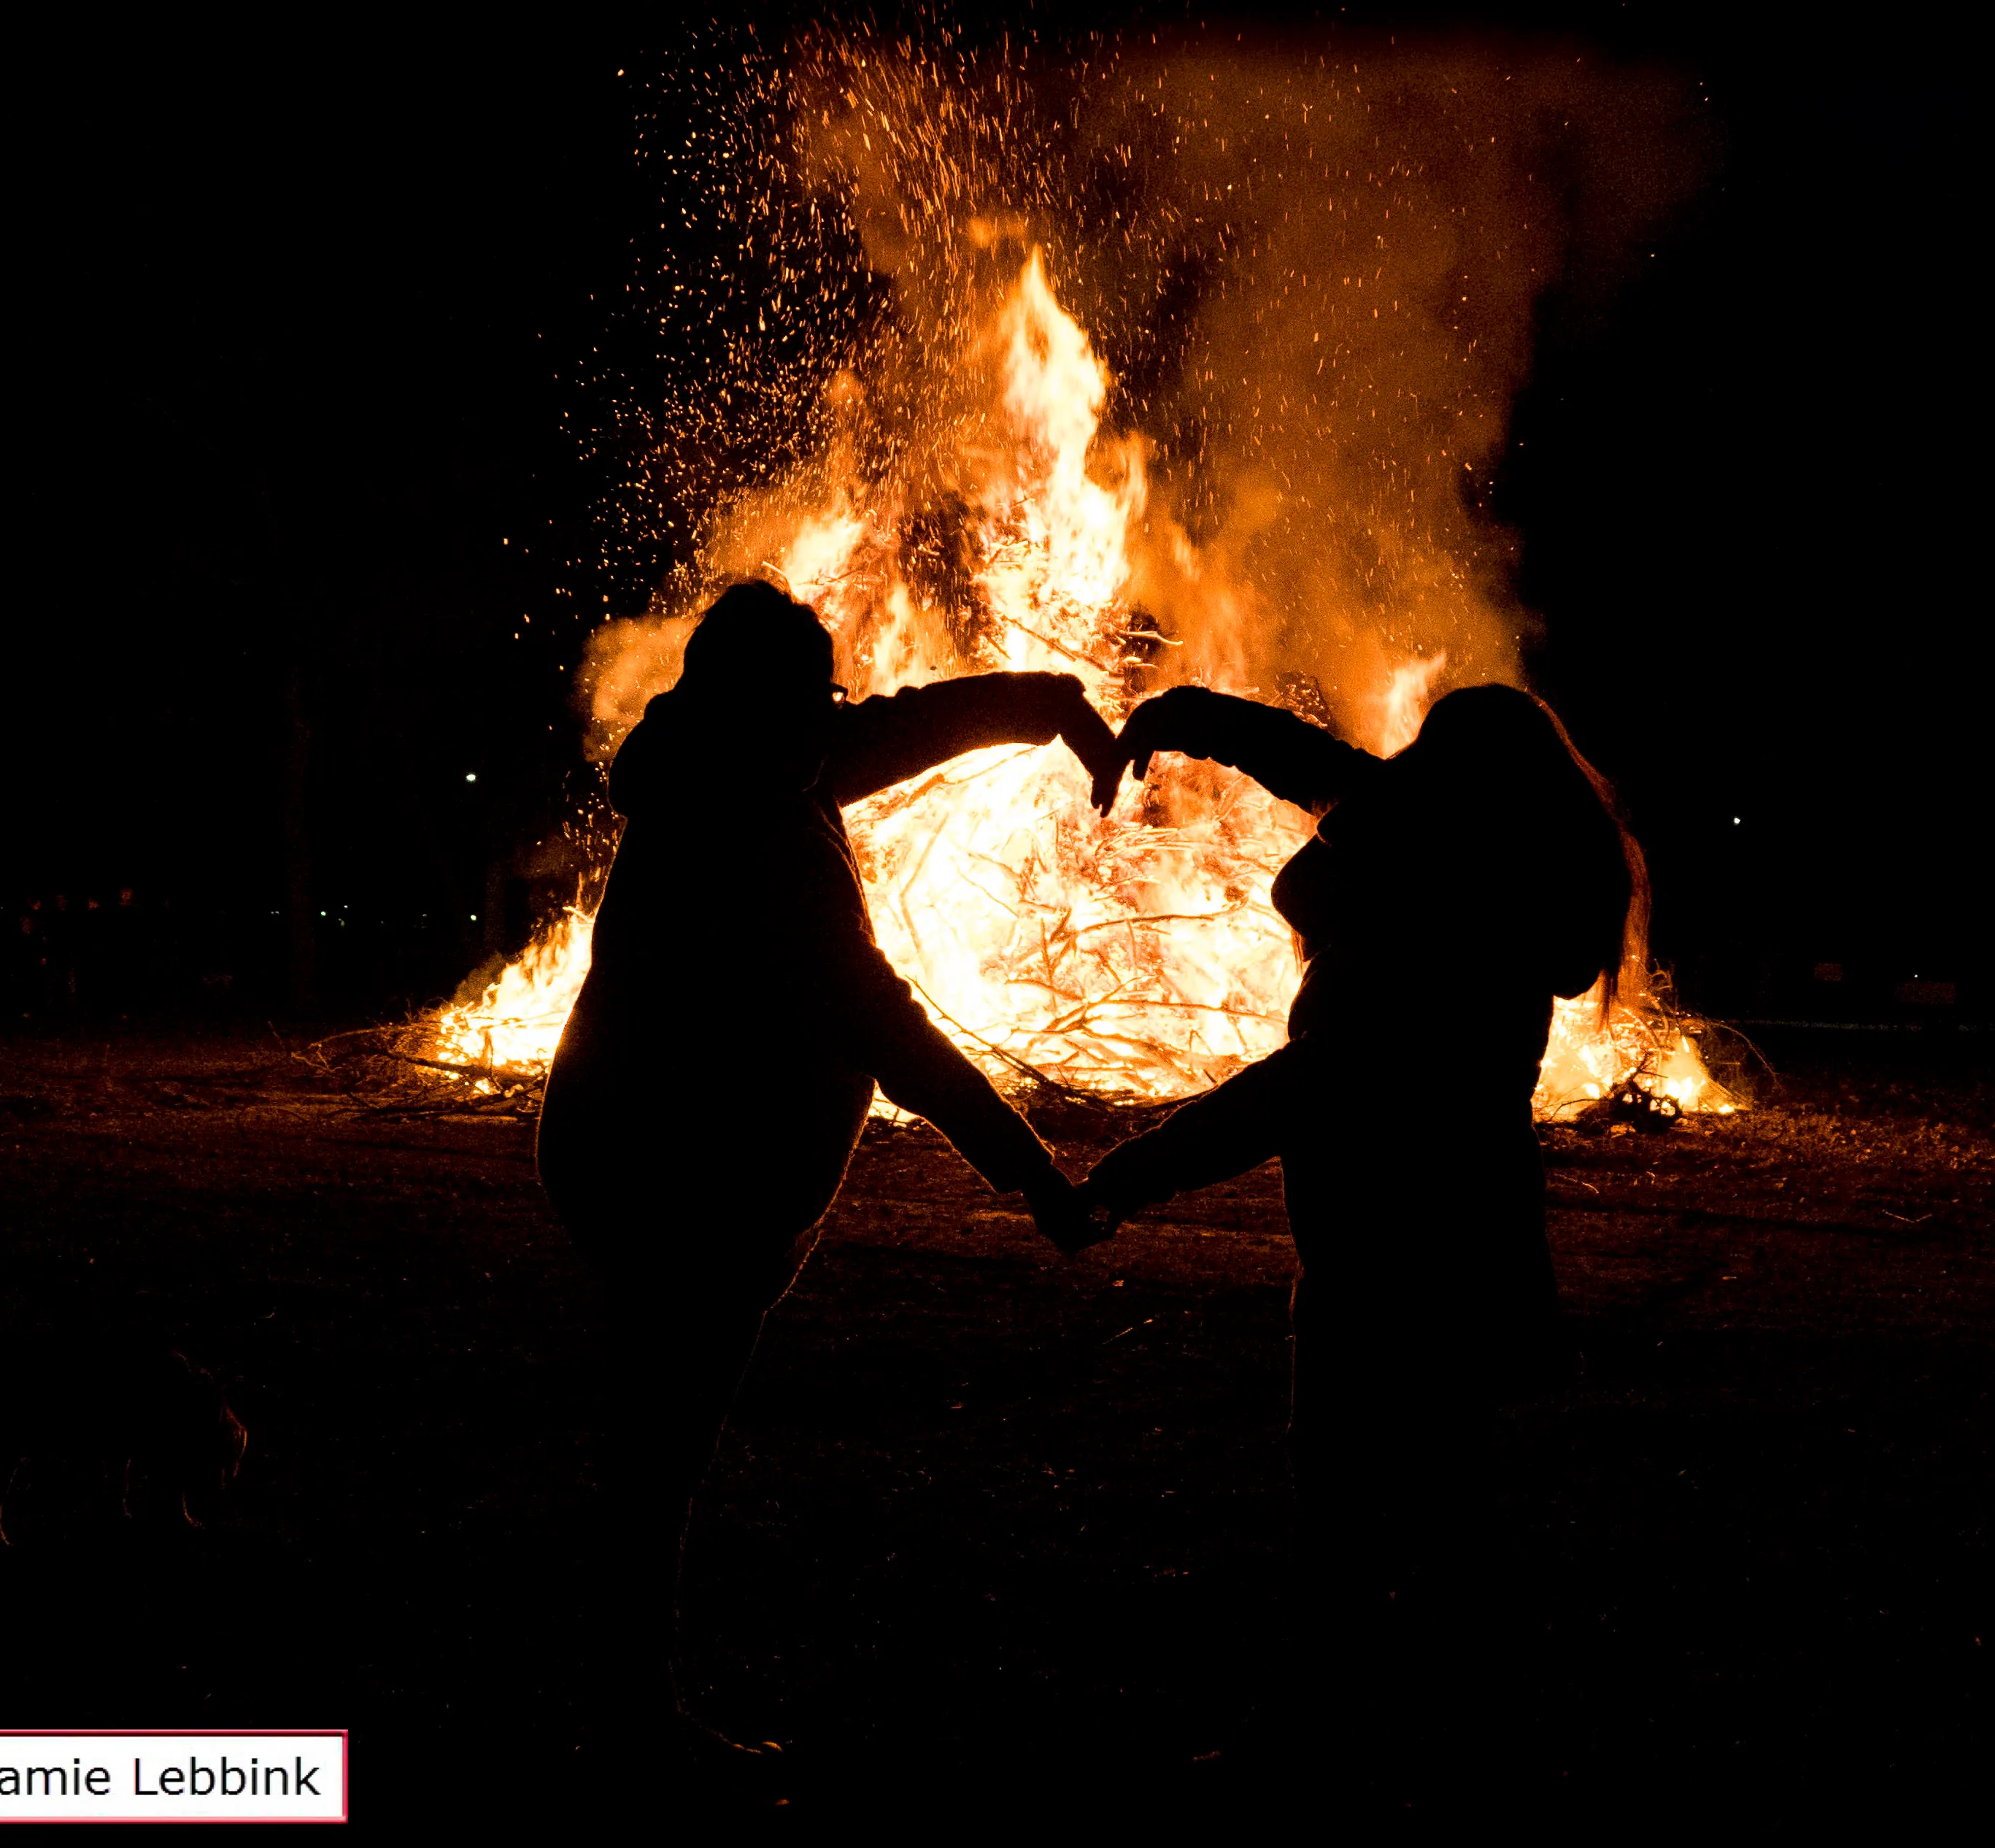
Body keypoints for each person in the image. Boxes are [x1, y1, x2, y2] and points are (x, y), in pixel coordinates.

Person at [535, 580, 1127, 1786]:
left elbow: (886, 731)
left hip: (631, 1147)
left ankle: (612, 1690)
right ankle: (627, 1715)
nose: (835, 719)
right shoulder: (755, 835)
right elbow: (884, 1026)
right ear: (762, 706)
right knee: (662, 1451)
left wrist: (1047, 701)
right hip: (684, 1173)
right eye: (813, 698)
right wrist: (1032, 1175)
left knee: (650, 1439)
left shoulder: (725, 763)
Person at [1082, 681, 1639, 1790]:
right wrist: (1176, 713)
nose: (1391, 774)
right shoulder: (1498, 875)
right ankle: (1451, 1733)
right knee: (1444, 1488)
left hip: (1374, 1248)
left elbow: (1299, 1091)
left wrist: (1129, 1173)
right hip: (1472, 1229)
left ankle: (1327, 1736)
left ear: (1443, 788)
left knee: (1348, 1495)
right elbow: (1296, 753)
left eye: (1422, 760)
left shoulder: (1411, 919)